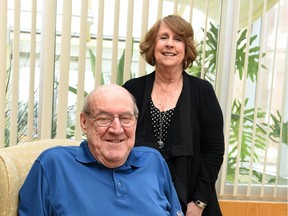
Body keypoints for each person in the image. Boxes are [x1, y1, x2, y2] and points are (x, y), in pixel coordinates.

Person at [18, 84, 184, 216]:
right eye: (104, 119)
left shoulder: (153, 161)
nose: (116, 129)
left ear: (135, 122)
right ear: (84, 122)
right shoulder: (53, 165)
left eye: (126, 118)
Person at [123, 15, 225, 216]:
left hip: (192, 203)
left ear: (186, 49)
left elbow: (214, 150)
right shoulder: (132, 89)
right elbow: (120, 140)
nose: (170, 44)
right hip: (140, 200)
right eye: (163, 37)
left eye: (178, 39)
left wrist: (199, 202)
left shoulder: (202, 91)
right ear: (153, 46)